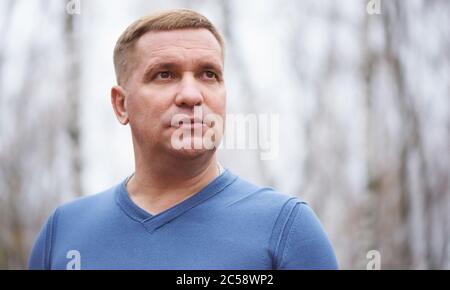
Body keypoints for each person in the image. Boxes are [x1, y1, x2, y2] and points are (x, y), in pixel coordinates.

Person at [28, 8, 338, 270]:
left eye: (209, 74)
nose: (191, 95)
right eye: (165, 74)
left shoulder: (286, 228)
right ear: (122, 105)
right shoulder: (64, 232)